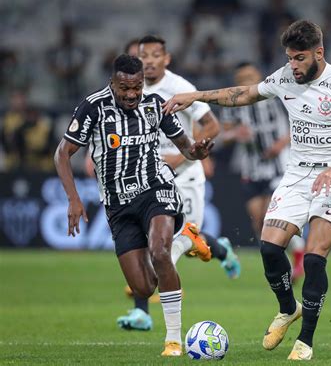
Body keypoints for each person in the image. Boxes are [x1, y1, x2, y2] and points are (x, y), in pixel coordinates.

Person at [163, 20, 331, 360]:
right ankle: (288, 308)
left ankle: (304, 341)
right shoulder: (286, 77)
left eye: (300, 58)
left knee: (315, 258)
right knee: (269, 248)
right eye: (290, 58)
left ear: (319, 53)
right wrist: (196, 96)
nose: (293, 65)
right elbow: (244, 94)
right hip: (296, 175)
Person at [54, 54, 214, 357]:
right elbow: (63, 153)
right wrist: (74, 198)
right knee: (143, 288)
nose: (131, 95)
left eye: (137, 88)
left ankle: (174, 341)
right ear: (113, 82)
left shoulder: (155, 105)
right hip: (117, 205)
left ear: (143, 83)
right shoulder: (93, 107)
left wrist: (198, 150)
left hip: (156, 189)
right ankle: (186, 241)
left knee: (159, 252)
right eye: (124, 88)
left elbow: (186, 150)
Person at [116, 35, 241, 331]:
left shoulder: (181, 88)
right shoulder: (130, 90)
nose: (148, 60)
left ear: (166, 58)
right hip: (148, 180)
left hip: (184, 176)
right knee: (150, 244)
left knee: (184, 240)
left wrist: (189, 154)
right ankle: (141, 312)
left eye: (154, 55)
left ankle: (221, 250)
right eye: (142, 55)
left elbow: (212, 125)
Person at [219, 61, 305, 280]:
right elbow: (224, 135)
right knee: (257, 219)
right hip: (251, 168)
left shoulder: (275, 96)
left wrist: (280, 143)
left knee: (271, 216)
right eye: (241, 80)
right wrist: (236, 134)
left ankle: (296, 256)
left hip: (280, 165)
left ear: (258, 75)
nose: (246, 83)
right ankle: (278, 259)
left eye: (249, 77)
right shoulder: (233, 102)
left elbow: (298, 123)